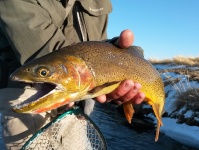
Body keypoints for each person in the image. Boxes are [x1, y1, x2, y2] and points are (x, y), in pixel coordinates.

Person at [0, 0, 145, 149]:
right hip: (26, 91)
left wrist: (116, 52)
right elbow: (48, 49)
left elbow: (96, 45)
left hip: (81, 96)